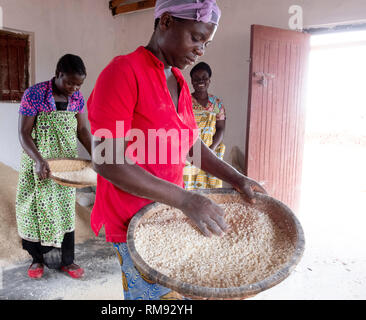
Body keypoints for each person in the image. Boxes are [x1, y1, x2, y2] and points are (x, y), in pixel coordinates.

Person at [87, 0, 266, 300]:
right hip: (135, 223)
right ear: (166, 22)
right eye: (196, 38)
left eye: (206, 43)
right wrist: (186, 199)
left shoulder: (179, 80)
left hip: (167, 216)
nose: (200, 51)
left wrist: (236, 178)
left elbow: (191, 145)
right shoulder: (123, 72)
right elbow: (107, 161)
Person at [15, 54, 92, 279]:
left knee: (64, 211)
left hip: (65, 166)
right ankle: (37, 260)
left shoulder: (77, 98)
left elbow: (82, 131)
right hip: (40, 164)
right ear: (57, 74)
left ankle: (67, 261)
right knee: (37, 211)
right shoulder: (35, 95)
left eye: (78, 85)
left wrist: (96, 155)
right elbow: (23, 133)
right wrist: (39, 161)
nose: (73, 88)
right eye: (69, 82)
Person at [183, 61, 226, 190]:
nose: (200, 81)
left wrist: (211, 150)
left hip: (211, 150)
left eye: (204, 78)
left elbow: (220, 128)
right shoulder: (185, 102)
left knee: (210, 189)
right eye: (196, 79)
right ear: (191, 81)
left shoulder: (217, 103)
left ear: (209, 80)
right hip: (190, 151)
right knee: (188, 188)